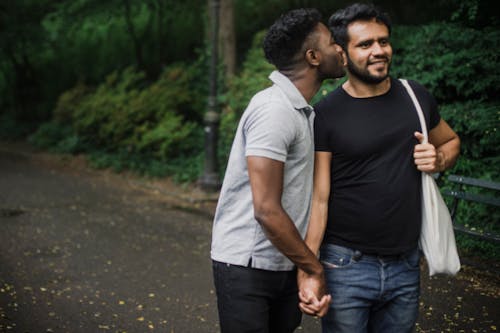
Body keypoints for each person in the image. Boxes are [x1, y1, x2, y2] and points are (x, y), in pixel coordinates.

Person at [297, 3, 461, 333]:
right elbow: (319, 199)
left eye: (383, 41)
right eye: (365, 44)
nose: (378, 51)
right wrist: (309, 271)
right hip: (345, 266)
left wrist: (439, 159)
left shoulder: (414, 95)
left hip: (406, 264)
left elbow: (451, 142)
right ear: (342, 53)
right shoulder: (326, 114)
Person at [210, 8, 345, 333]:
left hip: (284, 262)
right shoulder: (275, 112)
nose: (340, 48)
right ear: (313, 56)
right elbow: (267, 210)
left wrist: (302, 265)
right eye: (331, 42)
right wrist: (313, 268)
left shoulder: (300, 111)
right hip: (248, 267)